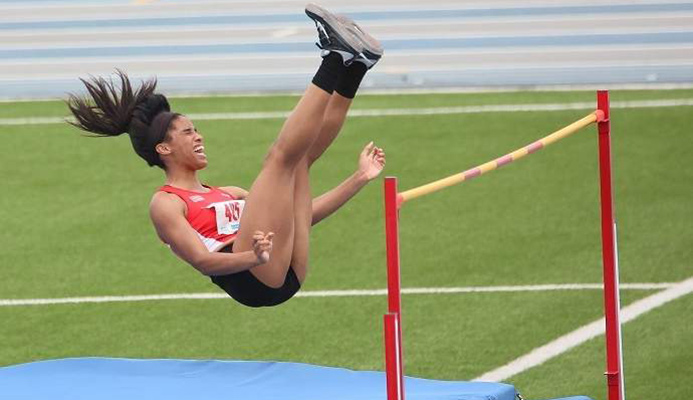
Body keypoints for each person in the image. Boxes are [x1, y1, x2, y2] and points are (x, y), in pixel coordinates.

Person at [67, 4, 385, 308]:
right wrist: (254, 258)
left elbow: (300, 216)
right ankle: (334, 58)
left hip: (283, 269)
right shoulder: (166, 203)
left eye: (196, 130)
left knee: (298, 161)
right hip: (252, 277)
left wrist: (358, 179)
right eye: (188, 133)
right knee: (279, 159)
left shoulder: (228, 193)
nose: (199, 136)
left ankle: (356, 65)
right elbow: (202, 260)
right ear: (164, 149)